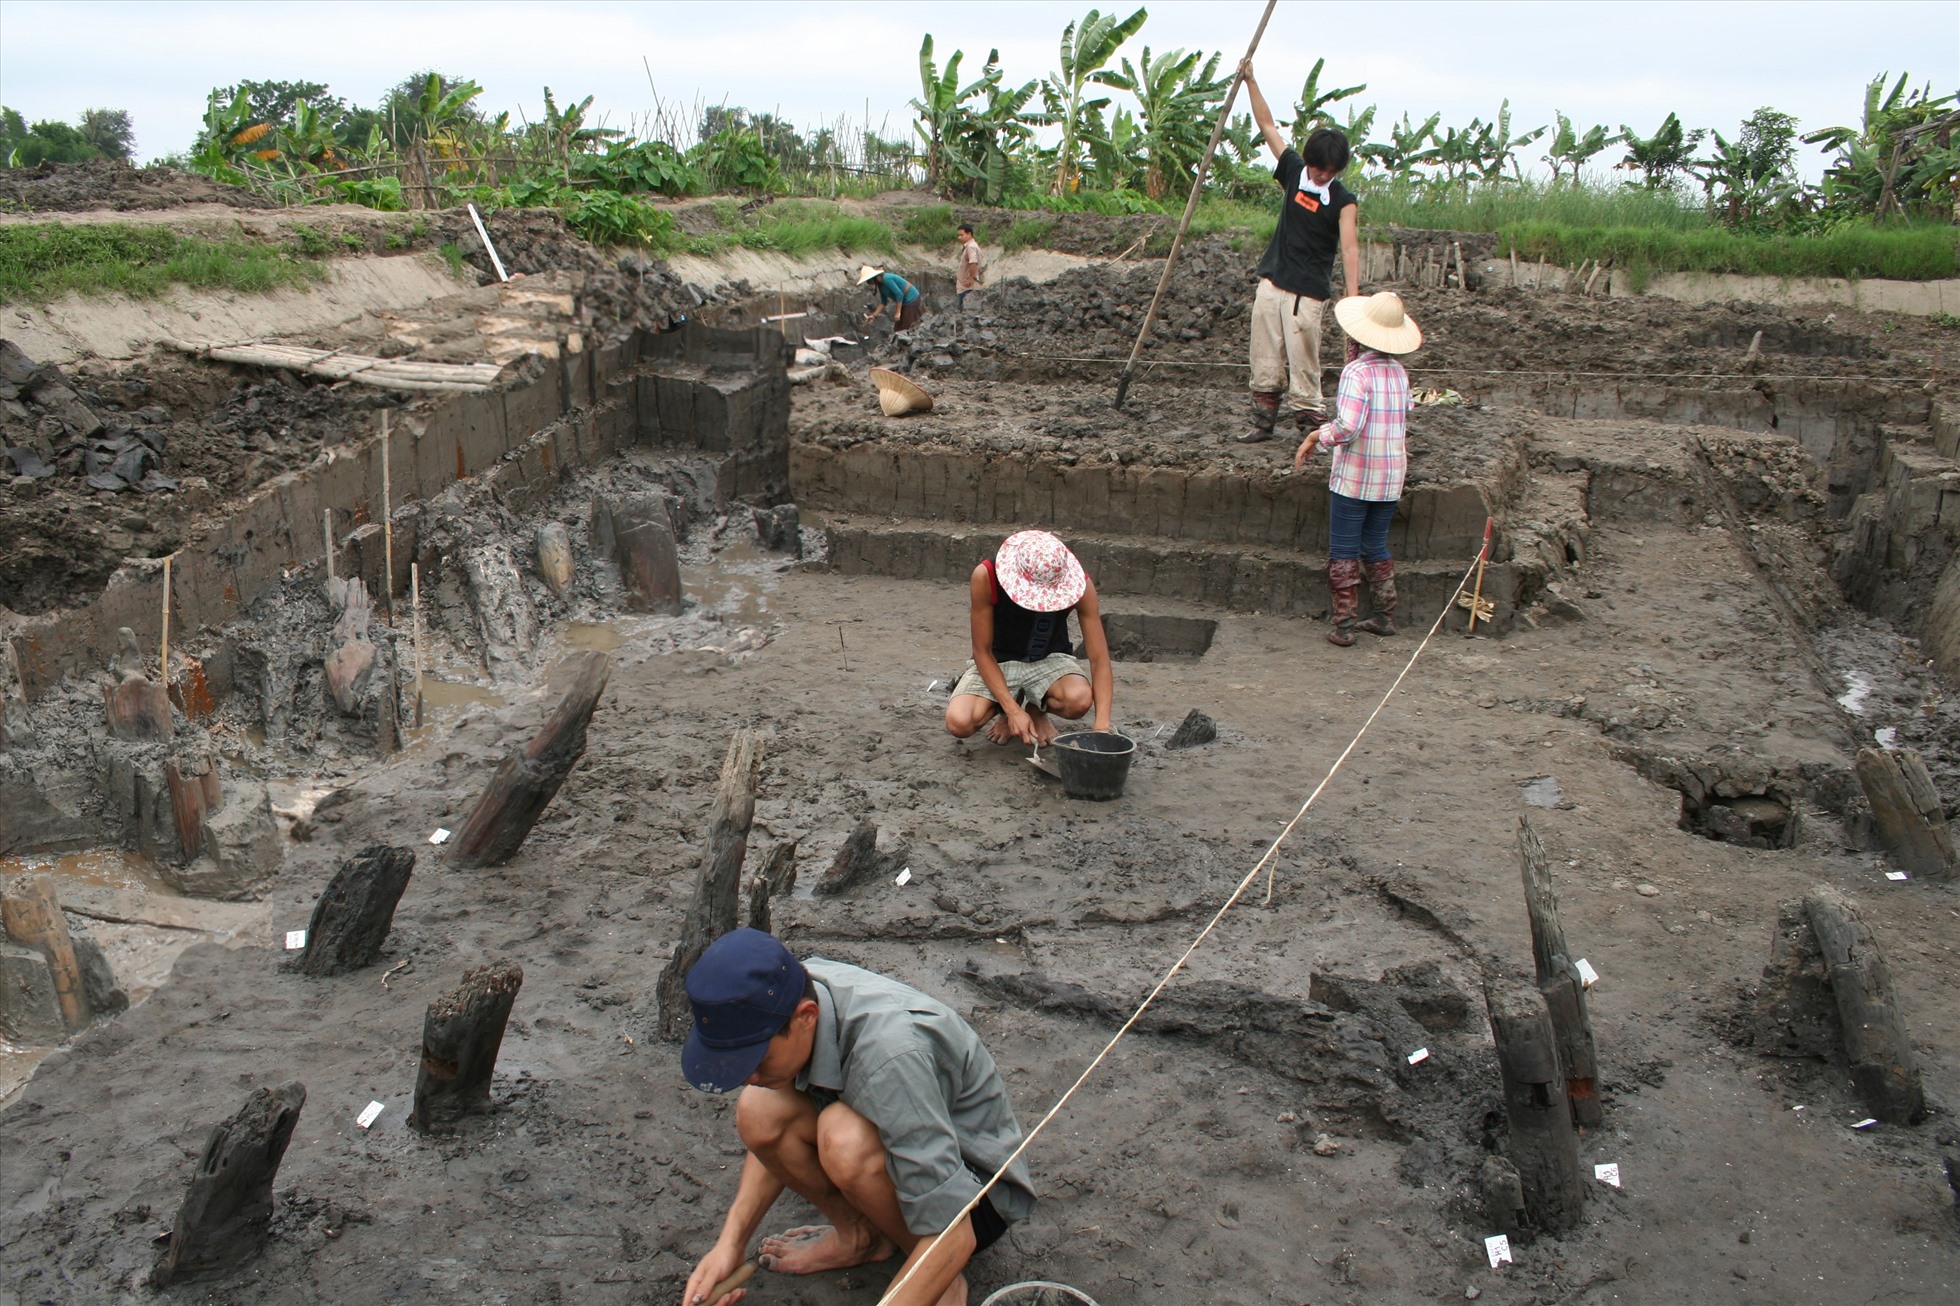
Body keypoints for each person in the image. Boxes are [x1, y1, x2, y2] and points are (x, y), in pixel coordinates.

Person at [679, 928, 1036, 1306]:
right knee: (758, 1108)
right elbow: (766, 1117)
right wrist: (729, 1246)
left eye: (757, 1059)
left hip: (975, 1196)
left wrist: (934, 1273)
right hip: (901, 1144)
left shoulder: (891, 1057)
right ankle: (860, 1238)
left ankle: (943, 1280)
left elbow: (955, 1230)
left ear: (806, 1017)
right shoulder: (791, 987)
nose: (746, 1076)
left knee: (843, 1137)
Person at [1234, 58, 1362, 445]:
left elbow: (1350, 247)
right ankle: (1263, 422)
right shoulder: (1293, 170)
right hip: (1273, 279)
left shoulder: (1343, 200)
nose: (1322, 175)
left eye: (1329, 171)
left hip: (1308, 290)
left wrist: (1353, 300)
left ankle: (1311, 427)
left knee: (1305, 359)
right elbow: (1267, 125)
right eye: (1318, 168)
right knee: (1264, 354)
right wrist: (1250, 82)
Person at [1294, 291, 1422, 646]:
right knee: (1375, 545)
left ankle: (1345, 626)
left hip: (1355, 477)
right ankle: (1384, 616)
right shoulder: (1398, 373)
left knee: (1345, 548)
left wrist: (1317, 437)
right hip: (1391, 474)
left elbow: (1349, 427)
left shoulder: (1357, 372)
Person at [944, 529, 1113, 746]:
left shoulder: (1081, 585)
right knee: (960, 722)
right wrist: (1012, 711)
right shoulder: (986, 576)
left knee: (1078, 700)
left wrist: (1101, 729)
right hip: (998, 660)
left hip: (1049, 659)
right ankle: (1007, 708)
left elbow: (1099, 659)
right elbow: (982, 651)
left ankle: (1036, 710)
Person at [858, 264, 925, 332]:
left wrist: (898, 312)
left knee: (906, 326)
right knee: (897, 328)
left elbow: (899, 294)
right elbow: (883, 302)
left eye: (868, 281)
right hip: (903, 302)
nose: (868, 283)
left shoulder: (886, 279)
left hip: (911, 298)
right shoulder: (880, 284)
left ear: (873, 277)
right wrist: (874, 316)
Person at [954, 224, 984, 310]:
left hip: (967, 287)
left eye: (961, 235)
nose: (959, 237)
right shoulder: (973, 246)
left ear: (969, 234)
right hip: (968, 286)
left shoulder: (971, 247)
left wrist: (970, 278)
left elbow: (973, 262)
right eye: (958, 235)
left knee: (965, 312)